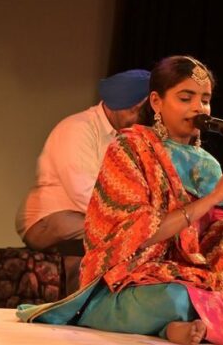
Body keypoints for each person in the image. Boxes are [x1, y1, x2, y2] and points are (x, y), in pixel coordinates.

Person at [18, 56, 223, 345]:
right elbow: (140, 234)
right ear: (156, 102)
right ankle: (139, 319)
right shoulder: (130, 148)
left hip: (192, 279)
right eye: (186, 98)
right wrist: (210, 199)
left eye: (205, 100)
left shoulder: (207, 165)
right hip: (130, 280)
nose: (198, 108)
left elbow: (220, 259)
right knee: (176, 299)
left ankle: (178, 326)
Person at [15, 69, 151, 294]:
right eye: (135, 110)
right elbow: (83, 191)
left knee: (138, 238)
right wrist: (130, 223)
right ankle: (80, 305)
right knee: (122, 238)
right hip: (49, 219)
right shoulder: (78, 128)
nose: (138, 118)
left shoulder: (128, 136)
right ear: (120, 105)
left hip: (89, 216)